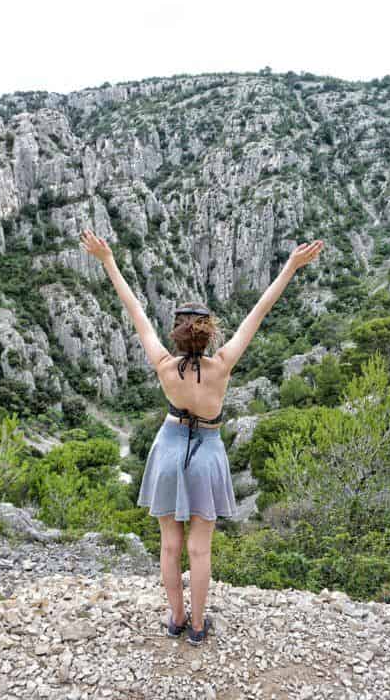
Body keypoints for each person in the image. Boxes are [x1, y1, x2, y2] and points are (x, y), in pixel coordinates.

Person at [79, 227, 324, 644]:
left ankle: (175, 619)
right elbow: (259, 312)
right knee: (200, 550)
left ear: (176, 334)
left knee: (169, 546)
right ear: (210, 334)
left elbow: (134, 309)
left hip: (167, 449)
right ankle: (196, 628)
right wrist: (290, 267)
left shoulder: (162, 364)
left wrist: (108, 260)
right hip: (207, 453)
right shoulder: (223, 365)